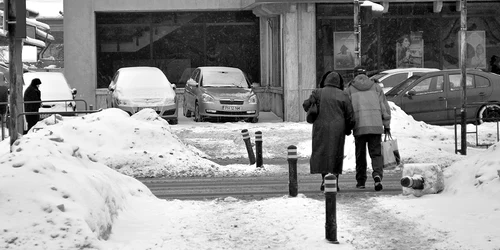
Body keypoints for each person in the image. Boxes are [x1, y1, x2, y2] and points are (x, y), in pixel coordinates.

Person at [302, 71, 355, 192]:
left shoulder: (317, 92)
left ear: (325, 80)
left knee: (322, 152)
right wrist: (349, 128)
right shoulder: (343, 95)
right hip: (338, 129)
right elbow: (350, 115)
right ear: (339, 82)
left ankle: (324, 179)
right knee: (336, 153)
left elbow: (306, 105)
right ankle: (334, 180)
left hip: (321, 127)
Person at [345, 67, 391, 191]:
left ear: (354, 75)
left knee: (360, 155)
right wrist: (386, 124)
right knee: (376, 154)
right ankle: (377, 175)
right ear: (366, 75)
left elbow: (347, 109)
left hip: (359, 126)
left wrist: (348, 126)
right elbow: (384, 107)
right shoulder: (376, 87)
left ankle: (361, 181)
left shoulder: (349, 89)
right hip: (375, 125)